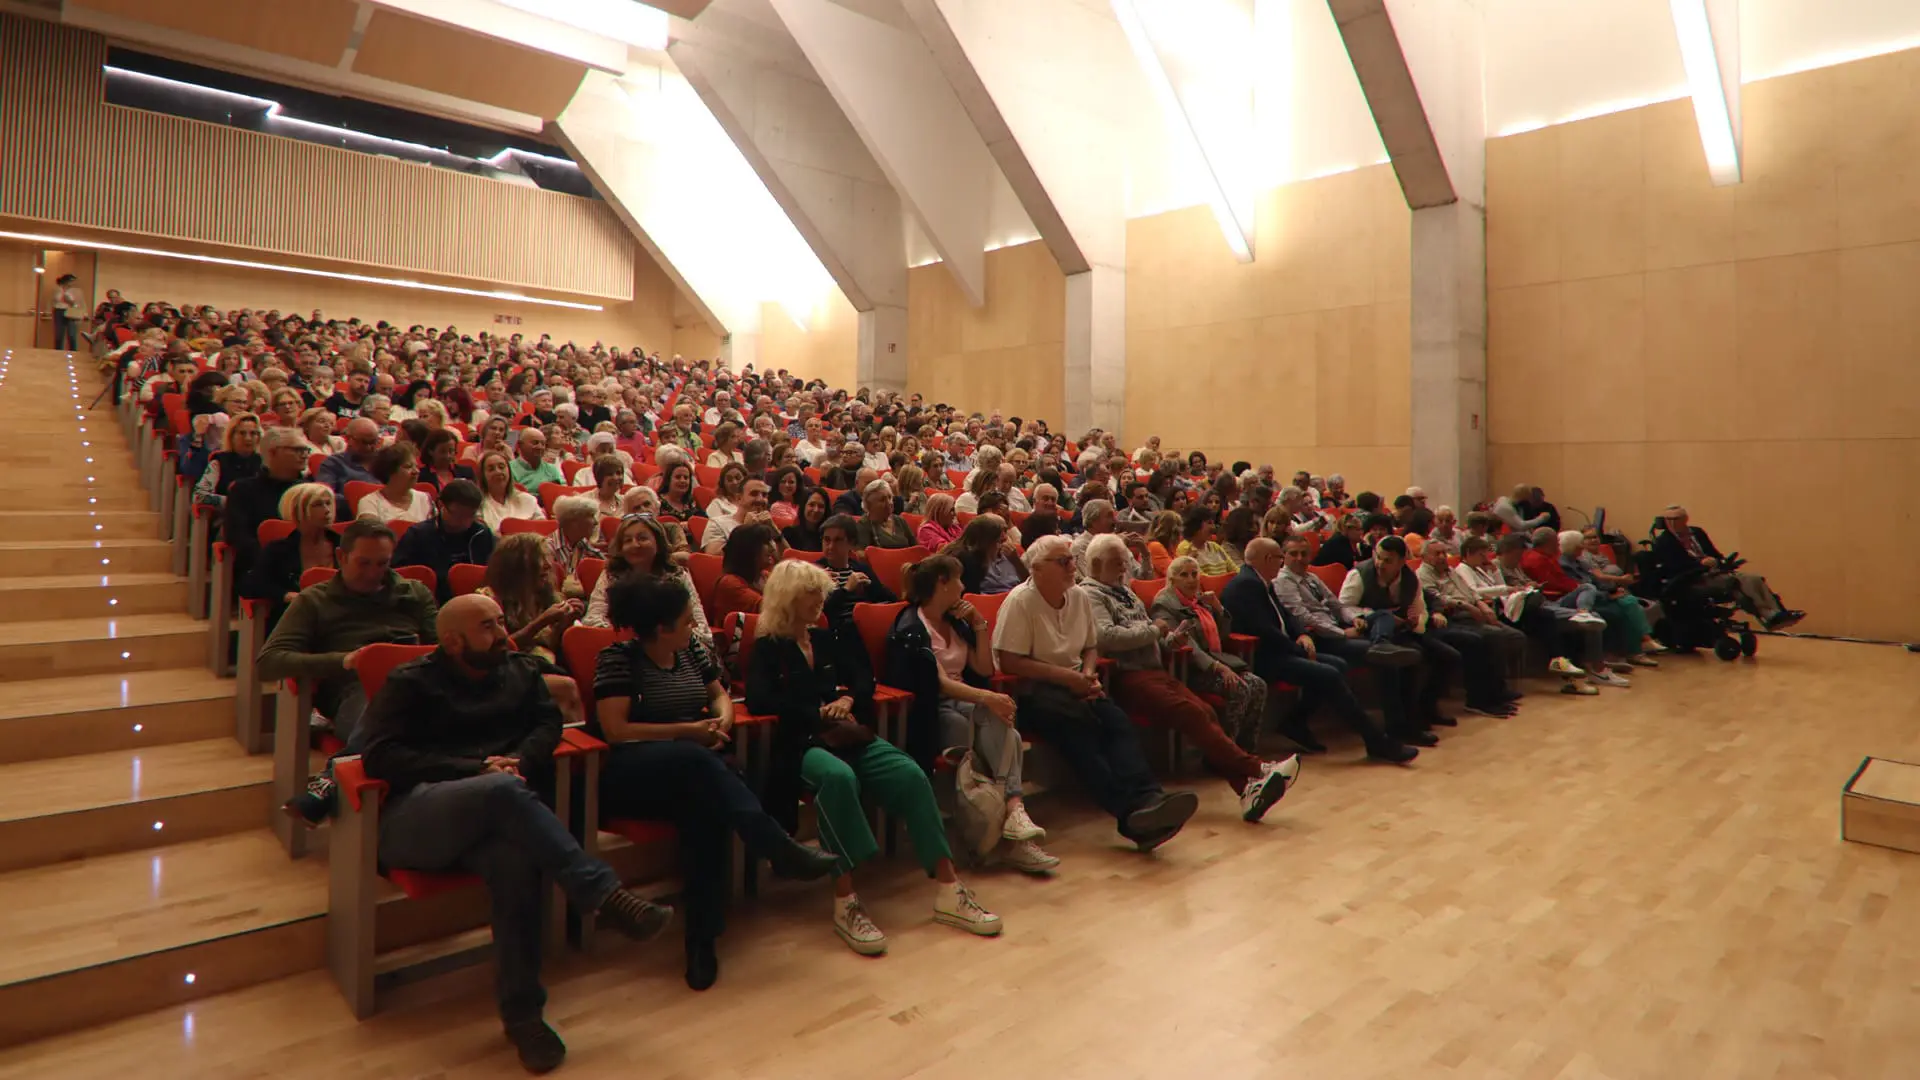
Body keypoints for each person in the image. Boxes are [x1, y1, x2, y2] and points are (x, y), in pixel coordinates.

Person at [360, 594, 674, 1072]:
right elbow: (379, 755)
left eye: (501, 621)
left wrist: (520, 760)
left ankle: (524, 1016)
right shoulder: (411, 682)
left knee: (515, 862)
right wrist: (475, 768)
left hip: (498, 813)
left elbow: (549, 723)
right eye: (487, 627)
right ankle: (601, 893)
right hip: (420, 817)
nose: (502, 634)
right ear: (453, 641)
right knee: (502, 790)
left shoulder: (519, 670)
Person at [591, 576, 839, 989]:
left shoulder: (690, 650)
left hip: (696, 773)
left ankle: (701, 942)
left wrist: (721, 721)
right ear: (661, 628)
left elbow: (721, 695)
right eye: (686, 621)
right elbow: (617, 731)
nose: (694, 626)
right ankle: (774, 845)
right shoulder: (618, 659)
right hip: (635, 774)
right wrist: (688, 731)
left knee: (704, 813)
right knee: (696, 760)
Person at [747, 561, 1002, 954]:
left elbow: (864, 678)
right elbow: (760, 700)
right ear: (787, 598)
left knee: (910, 774)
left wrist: (849, 699)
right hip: (801, 743)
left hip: (846, 733)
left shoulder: (827, 636)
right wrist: (817, 712)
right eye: (810, 593)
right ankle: (845, 901)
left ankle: (949, 888)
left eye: (819, 592)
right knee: (839, 779)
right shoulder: (768, 647)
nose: (819, 600)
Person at [992, 535, 1200, 851]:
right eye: (1063, 561)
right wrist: (1069, 678)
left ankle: (1150, 798)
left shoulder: (1077, 596)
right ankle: (1130, 815)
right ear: (1036, 568)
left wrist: (1088, 674)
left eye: (1071, 559)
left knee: (1117, 722)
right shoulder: (1020, 601)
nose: (1071, 566)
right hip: (1034, 691)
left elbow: (1090, 646)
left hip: (1077, 683)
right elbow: (1009, 661)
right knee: (1082, 732)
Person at [1080, 535, 1298, 821]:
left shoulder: (1125, 591)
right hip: (1127, 675)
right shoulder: (1091, 594)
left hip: (1155, 670)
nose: (1123, 567)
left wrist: (1171, 639)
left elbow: (1154, 635)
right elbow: (1107, 637)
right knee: (1191, 713)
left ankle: (1246, 789)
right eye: (1116, 562)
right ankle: (1257, 769)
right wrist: (1155, 631)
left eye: (1124, 561)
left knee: (1206, 711)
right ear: (1097, 563)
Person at [884, 555, 1058, 873]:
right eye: (958, 579)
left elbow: (983, 668)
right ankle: (1014, 831)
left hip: (965, 703)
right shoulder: (912, 627)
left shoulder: (957, 623)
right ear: (942, 583)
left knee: (1005, 732)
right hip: (932, 711)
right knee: (997, 737)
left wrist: (979, 624)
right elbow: (938, 684)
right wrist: (989, 697)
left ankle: (1013, 816)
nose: (964, 586)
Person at [262, 520, 441, 821]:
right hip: (355, 691)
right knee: (392, 717)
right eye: (364, 563)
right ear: (341, 557)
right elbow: (270, 661)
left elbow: (441, 649)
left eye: (382, 563)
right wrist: (343, 661)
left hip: (417, 685)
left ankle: (332, 780)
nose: (373, 573)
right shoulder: (315, 600)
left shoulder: (414, 593)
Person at [1221, 538, 1417, 763]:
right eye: (1280, 558)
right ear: (1267, 559)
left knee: (1337, 665)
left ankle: (1295, 721)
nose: (1282, 563)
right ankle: (1376, 741)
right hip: (1264, 657)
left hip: (1282, 649)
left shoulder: (1260, 580)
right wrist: (1298, 649)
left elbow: (1286, 617)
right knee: (1328, 673)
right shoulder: (1247, 585)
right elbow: (1264, 631)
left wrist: (1301, 634)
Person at [1270, 535, 1429, 744]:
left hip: (1337, 627)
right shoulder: (1283, 581)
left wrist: (1354, 619)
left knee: (1383, 618)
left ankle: (1382, 644)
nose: (1300, 558)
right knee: (1386, 660)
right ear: (1283, 556)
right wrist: (1342, 633)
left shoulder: (1311, 578)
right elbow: (1301, 617)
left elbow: (1338, 606)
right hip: (1320, 637)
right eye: (1294, 554)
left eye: (1304, 554)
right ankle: (1397, 727)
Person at [1337, 536, 1463, 736]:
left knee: (1448, 656)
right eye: (1379, 557)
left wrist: (1416, 624)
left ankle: (1426, 708)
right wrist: (1372, 615)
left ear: (1402, 561)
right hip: (1367, 630)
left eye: (1388, 560)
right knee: (1407, 657)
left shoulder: (1410, 578)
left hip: (1401, 629)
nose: (1380, 564)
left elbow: (1420, 610)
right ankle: (1404, 725)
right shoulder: (1359, 574)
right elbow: (1343, 607)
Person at [1149, 555, 1267, 753]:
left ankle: (1245, 750)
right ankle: (1223, 752)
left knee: (1258, 685)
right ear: (1172, 579)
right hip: (1190, 669)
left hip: (1216, 661)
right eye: (1184, 575)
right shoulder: (1164, 604)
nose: (1191, 579)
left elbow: (1223, 635)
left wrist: (1218, 607)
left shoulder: (1199, 600)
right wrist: (1220, 668)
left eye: (1194, 574)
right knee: (1238, 688)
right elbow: (1187, 644)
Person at [1417, 539, 1524, 716]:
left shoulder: (1450, 571)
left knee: (1501, 635)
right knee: (1486, 637)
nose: (1442, 557)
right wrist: (1467, 606)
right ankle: (1479, 699)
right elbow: (1437, 598)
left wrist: (1481, 605)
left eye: (1444, 553)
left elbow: (1471, 592)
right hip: (1451, 617)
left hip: (1471, 614)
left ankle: (1496, 692)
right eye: (1437, 553)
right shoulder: (1423, 575)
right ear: (1425, 557)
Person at [1653, 505, 1804, 630]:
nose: (1672, 523)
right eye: (1668, 520)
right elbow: (1674, 566)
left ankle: (1776, 613)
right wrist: (1700, 564)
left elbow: (1715, 554)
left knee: (1754, 579)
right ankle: (1769, 615)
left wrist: (1718, 561)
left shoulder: (1697, 533)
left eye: (1676, 519)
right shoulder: (1663, 541)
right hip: (1692, 577)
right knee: (1736, 584)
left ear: (1685, 519)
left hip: (1715, 572)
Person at [583, 514, 713, 649]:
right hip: (624, 649)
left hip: (675, 649)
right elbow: (593, 620)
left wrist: (671, 641)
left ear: (658, 543)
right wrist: (632, 639)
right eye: (628, 540)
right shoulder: (610, 576)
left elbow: (700, 626)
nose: (635, 545)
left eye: (642, 538)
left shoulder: (678, 575)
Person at [239, 482, 340, 625]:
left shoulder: (345, 545)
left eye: (328, 503)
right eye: (317, 505)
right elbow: (253, 584)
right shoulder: (279, 550)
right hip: (294, 618)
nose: (327, 510)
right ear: (297, 511)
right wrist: (285, 595)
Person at [223, 426, 313, 584]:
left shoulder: (311, 490)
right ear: (273, 452)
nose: (305, 455)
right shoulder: (244, 490)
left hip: (307, 567)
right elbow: (238, 537)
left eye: (306, 450)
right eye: (297, 450)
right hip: (262, 570)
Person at [482, 532, 583, 666]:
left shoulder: (546, 596)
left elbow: (550, 646)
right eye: (539, 559)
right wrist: (540, 623)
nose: (548, 565)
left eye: (547, 558)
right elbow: (494, 651)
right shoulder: (490, 600)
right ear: (516, 565)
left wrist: (564, 624)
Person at [393, 479, 495, 604]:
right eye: (458, 515)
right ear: (441, 505)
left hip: (478, 601)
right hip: (431, 603)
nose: (465, 521)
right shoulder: (418, 535)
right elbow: (400, 577)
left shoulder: (482, 533)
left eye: (471, 515)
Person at [710, 522, 780, 634]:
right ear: (749, 549)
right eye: (766, 543)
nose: (772, 548)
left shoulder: (765, 576)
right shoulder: (729, 583)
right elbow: (772, 610)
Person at [191, 412, 263, 510]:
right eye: (242, 433)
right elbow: (198, 496)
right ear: (231, 436)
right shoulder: (219, 462)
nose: (248, 438)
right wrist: (235, 502)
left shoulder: (265, 463)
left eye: (253, 433)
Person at [1069, 499, 1153, 582]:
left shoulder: (1116, 540)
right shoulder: (1080, 546)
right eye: (1109, 516)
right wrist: (1113, 549)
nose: (1115, 520)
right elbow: (1091, 583)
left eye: (1114, 515)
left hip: (1129, 590)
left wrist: (1145, 554)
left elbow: (1144, 578)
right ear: (1093, 521)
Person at [946, 514, 1026, 595]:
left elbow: (1028, 584)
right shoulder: (967, 560)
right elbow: (970, 596)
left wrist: (1016, 561)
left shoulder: (1011, 554)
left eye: (1005, 531)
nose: (1004, 537)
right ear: (986, 538)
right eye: (1000, 532)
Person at [355, 443, 432, 524]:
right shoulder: (370, 502)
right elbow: (371, 531)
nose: (416, 471)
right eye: (408, 466)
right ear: (389, 471)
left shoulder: (424, 498)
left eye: (416, 466)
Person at [545, 495, 604, 598]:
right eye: (591, 516)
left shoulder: (584, 545)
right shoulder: (547, 548)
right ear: (574, 521)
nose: (596, 522)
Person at [316, 417, 382, 508]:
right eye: (363, 442)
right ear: (348, 438)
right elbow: (324, 495)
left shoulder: (386, 462)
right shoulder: (333, 463)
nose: (368, 447)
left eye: (373, 442)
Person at [477, 450, 545, 534]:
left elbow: (543, 528)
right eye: (491, 469)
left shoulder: (528, 499)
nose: (498, 472)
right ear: (483, 475)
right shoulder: (478, 504)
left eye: (501, 467)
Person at [702, 477, 775, 554]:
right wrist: (746, 531)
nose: (760, 499)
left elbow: (780, 559)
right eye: (754, 494)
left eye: (764, 495)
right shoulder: (718, 523)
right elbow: (714, 556)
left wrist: (776, 534)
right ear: (739, 498)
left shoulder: (765, 525)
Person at [1174, 506, 1238, 577]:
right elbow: (1202, 578)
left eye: (1213, 523)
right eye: (1209, 523)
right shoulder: (1185, 548)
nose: (1213, 527)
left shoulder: (1215, 546)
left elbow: (1236, 571)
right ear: (1196, 526)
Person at [855, 479, 914, 550]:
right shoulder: (864, 525)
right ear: (869, 505)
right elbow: (861, 553)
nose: (889, 503)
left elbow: (916, 549)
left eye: (890, 497)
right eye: (882, 500)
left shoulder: (900, 521)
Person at [509, 428, 564, 492]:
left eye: (543, 444)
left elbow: (563, 490)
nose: (540, 447)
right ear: (520, 445)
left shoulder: (551, 469)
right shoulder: (509, 469)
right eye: (535, 443)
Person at [50, 272, 80, 350]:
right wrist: (65, 296)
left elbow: (76, 303)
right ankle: (58, 351)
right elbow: (56, 299)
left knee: (72, 334)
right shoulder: (58, 289)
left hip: (70, 311)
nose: (72, 283)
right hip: (59, 311)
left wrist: (72, 303)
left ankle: (73, 352)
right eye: (71, 281)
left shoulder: (74, 291)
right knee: (59, 334)